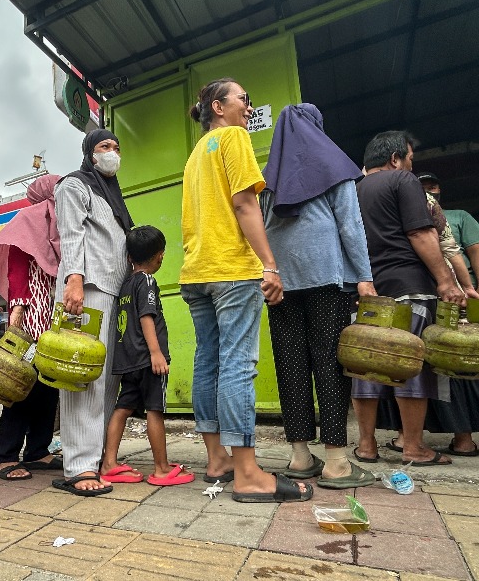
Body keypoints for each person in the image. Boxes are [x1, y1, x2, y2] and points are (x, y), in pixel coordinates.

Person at [180, 78, 311, 504]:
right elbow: (245, 204)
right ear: (218, 107)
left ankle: (218, 459)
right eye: (242, 98)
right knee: (237, 364)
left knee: (209, 362)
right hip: (232, 269)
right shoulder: (234, 138)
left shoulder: (195, 156)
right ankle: (249, 474)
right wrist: (269, 265)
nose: (248, 105)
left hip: (196, 272)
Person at [259, 103, 377, 489]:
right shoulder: (335, 166)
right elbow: (351, 226)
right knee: (329, 361)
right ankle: (337, 462)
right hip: (327, 278)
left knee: (290, 361)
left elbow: (258, 228)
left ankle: (299, 455)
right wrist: (364, 277)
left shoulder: (268, 175)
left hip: (280, 282)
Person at [351, 131, 464, 467]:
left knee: (367, 366)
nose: (411, 166)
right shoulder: (403, 180)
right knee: (413, 365)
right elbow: (420, 232)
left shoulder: (350, 191)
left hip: (367, 293)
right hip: (408, 284)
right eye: (410, 159)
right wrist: (446, 281)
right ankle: (413, 446)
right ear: (396, 159)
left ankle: (367, 446)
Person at [378, 174, 479, 457]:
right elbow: (446, 248)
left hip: (438, 290)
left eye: (433, 186)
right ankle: (413, 438)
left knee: (445, 358)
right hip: (431, 289)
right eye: (423, 185)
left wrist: (474, 287)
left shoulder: (449, 214)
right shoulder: (414, 205)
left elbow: (462, 249)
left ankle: (454, 437)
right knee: (436, 359)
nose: (428, 190)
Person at [50, 128, 132, 497]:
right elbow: (71, 235)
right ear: (89, 152)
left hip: (112, 291)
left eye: (115, 147)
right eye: (104, 147)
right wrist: (74, 281)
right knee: (83, 378)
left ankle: (94, 458)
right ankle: (79, 466)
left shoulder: (110, 193)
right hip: (87, 289)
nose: (112, 153)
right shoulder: (75, 185)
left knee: (107, 380)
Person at [99, 226, 193, 486]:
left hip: (127, 360)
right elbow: (146, 317)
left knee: (122, 408)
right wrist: (156, 353)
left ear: (129, 257)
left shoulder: (125, 283)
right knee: (155, 410)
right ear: (160, 256)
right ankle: (161, 468)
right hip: (148, 359)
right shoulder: (147, 282)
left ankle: (109, 463)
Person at [0, 174, 64, 481]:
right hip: (32, 312)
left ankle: (37, 451)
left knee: (49, 383)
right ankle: (5, 455)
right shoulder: (28, 220)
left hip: (54, 315)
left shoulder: (58, 224)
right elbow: (17, 268)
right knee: (23, 384)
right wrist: (17, 311)